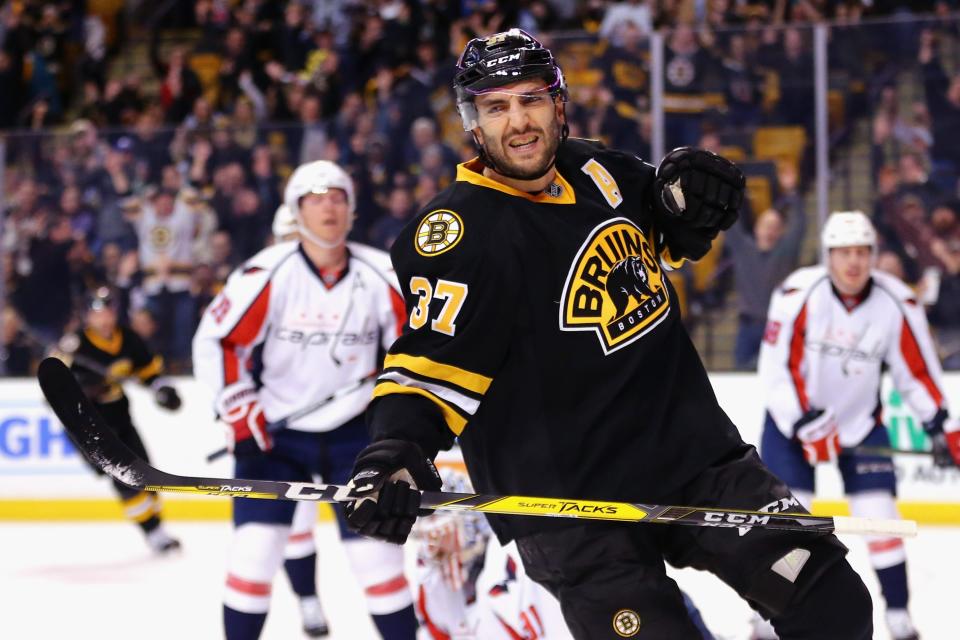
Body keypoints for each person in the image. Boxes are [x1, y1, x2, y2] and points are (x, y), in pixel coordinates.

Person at [341, 29, 874, 639]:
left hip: (691, 457)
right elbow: (428, 366)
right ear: (474, 123)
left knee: (835, 607)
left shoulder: (598, 169)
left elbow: (671, 228)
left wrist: (690, 200)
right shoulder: (459, 233)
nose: (518, 121)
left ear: (558, 102)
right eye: (497, 106)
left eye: (531, 99)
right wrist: (396, 456)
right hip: (570, 505)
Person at [192, 160, 419, 640]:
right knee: (253, 555)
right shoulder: (264, 272)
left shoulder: (382, 272)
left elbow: (417, 349)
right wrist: (236, 402)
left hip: (356, 435)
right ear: (296, 212)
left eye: (337, 197)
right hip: (277, 436)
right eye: (315, 199)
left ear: (352, 210)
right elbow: (217, 340)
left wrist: (404, 414)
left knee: (377, 559)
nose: (328, 208)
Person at [756, 211, 960, 640]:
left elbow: (916, 370)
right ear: (828, 256)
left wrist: (942, 425)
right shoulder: (797, 293)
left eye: (862, 252)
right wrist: (805, 422)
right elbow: (777, 369)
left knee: (880, 516)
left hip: (859, 423)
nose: (854, 262)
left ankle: (900, 616)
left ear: (872, 255)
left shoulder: (896, 301)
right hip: (793, 425)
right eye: (844, 253)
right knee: (794, 524)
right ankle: (765, 616)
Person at [57, 286, 182, 554]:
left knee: (146, 473)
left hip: (120, 418)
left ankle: (157, 525)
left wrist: (163, 389)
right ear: (88, 316)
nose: (104, 318)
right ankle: (153, 533)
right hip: (90, 428)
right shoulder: (75, 344)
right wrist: (84, 388)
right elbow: (54, 390)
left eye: (109, 311)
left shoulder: (128, 339)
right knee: (124, 477)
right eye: (97, 312)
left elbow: (149, 371)